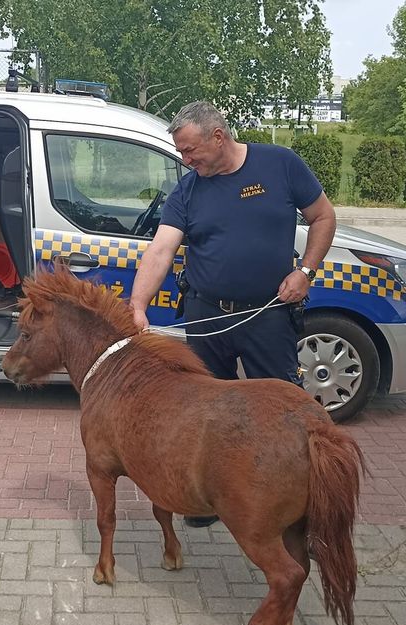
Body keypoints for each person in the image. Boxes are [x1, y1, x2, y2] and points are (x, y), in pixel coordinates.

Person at [129, 101, 337, 528]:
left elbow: (323, 216)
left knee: (285, 410)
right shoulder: (188, 190)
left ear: (218, 137)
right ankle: (208, 499)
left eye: (190, 151)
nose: (185, 161)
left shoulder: (280, 164)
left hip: (268, 313)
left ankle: (295, 500)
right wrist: (137, 305)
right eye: (182, 153)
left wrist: (306, 271)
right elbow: (161, 250)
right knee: (205, 412)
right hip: (207, 315)